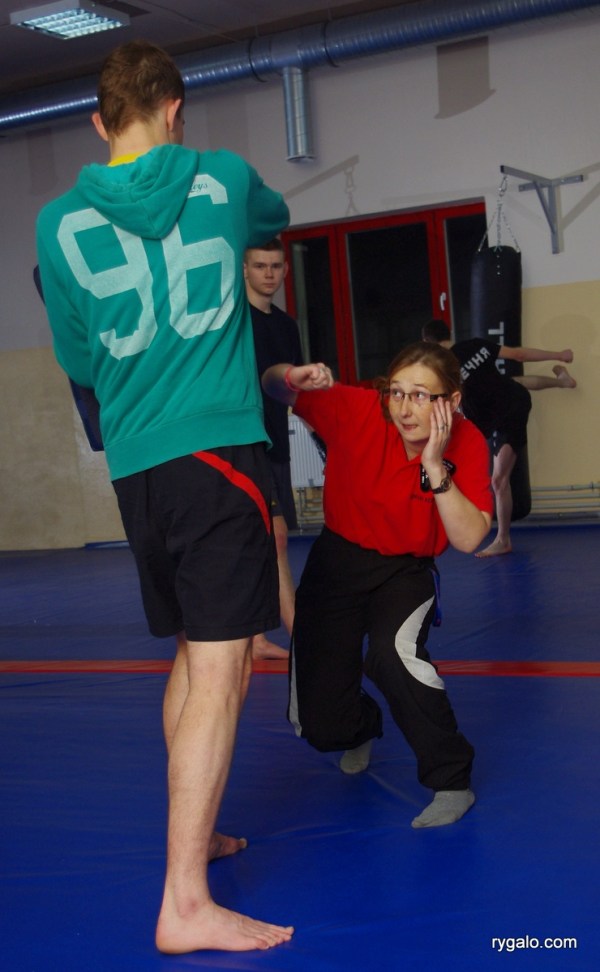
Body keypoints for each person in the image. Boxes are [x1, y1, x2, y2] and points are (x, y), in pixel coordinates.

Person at [36, 40, 293, 954]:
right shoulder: (225, 177)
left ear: (98, 123)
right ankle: (185, 900)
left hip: (137, 466)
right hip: (216, 451)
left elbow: (78, 357)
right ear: (176, 109)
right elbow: (274, 218)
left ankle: (197, 832)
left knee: (192, 652)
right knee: (225, 671)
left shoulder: (56, 222)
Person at [262, 342, 493, 828]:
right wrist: (290, 375)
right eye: (397, 392)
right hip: (337, 562)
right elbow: (272, 384)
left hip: (405, 571)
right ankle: (359, 725)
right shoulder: (358, 409)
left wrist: (435, 466)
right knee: (322, 726)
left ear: (451, 400)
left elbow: (470, 537)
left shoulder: (468, 442)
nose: (405, 409)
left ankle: (451, 779)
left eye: (421, 396)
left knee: (393, 655)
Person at [422, 320, 576, 558]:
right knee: (514, 383)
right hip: (506, 402)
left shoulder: (444, 368)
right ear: (449, 333)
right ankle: (563, 381)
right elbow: (519, 354)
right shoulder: (475, 345)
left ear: (428, 343)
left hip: (507, 413)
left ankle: (503, 540)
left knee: (499, 480)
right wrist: (559, 355)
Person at [244, 239, 303, 661]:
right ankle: (295, 633)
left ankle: (259, 637)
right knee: (273, 535)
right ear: (244, 270)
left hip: (276, 440)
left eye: (276, 266)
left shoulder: (286, 326)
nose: (269, 273)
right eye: (260, 265)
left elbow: (290, 389)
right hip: (243, 442)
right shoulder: (233, 322)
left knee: (269, 539)